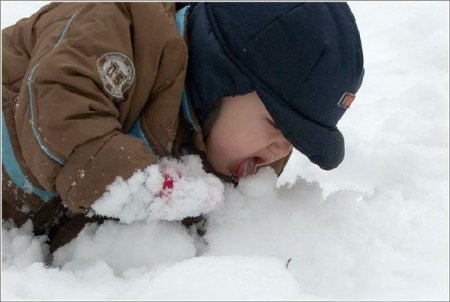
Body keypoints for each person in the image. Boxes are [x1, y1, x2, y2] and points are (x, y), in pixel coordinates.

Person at [2, 2, 364, 252]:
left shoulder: (213, 149)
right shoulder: (120, 24)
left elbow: (85, 227)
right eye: (276, 125)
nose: (281, 150)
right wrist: (152, 188)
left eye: (295, 141)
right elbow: (58, 115)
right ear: (220, 79)